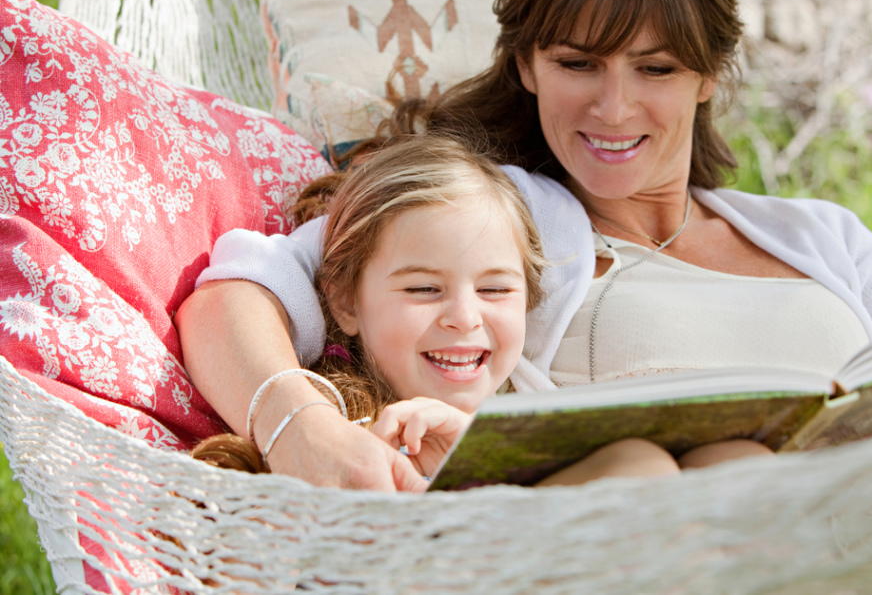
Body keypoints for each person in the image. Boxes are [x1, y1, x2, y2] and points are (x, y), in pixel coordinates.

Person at [175, 0, 872, 491]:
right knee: (730, 468)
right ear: (527, 65)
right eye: (579, 64)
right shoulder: (493, 212)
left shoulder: (825, 237)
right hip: (670, 538)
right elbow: (236, 296)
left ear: (709, 74)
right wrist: (302, 429)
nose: (613, 108)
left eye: (656, 69)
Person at [189, 133, 684, 484]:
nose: (465, 317)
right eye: (424, 290)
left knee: (642, 462)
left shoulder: (536, 410)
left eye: (495, 291)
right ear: (345, 301)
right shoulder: (347, 444)